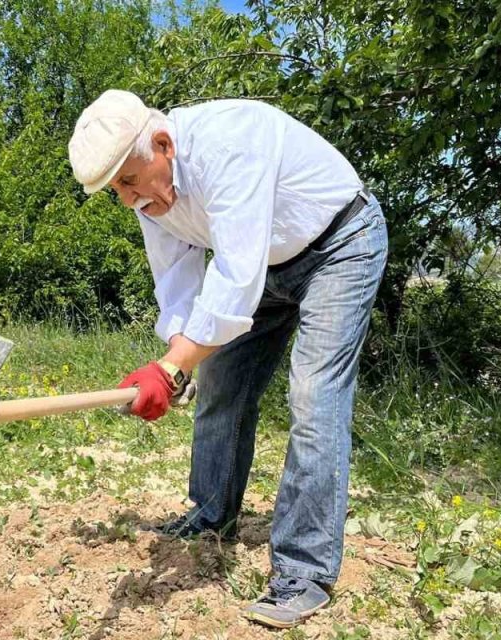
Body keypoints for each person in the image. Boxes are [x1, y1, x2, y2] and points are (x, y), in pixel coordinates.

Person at [67, 89, 388, 629]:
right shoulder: (150, 196)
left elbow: (237, 276)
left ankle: (304, 571)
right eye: (114, 191)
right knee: (220, 383)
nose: (125, 199)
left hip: (339, 245)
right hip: (267, 264)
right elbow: (177, 282)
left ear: (164, 144)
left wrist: (174, 366)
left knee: (314, 396)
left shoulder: (230, 142)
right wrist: (176, 363)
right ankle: (210, 514)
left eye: (127, 181)